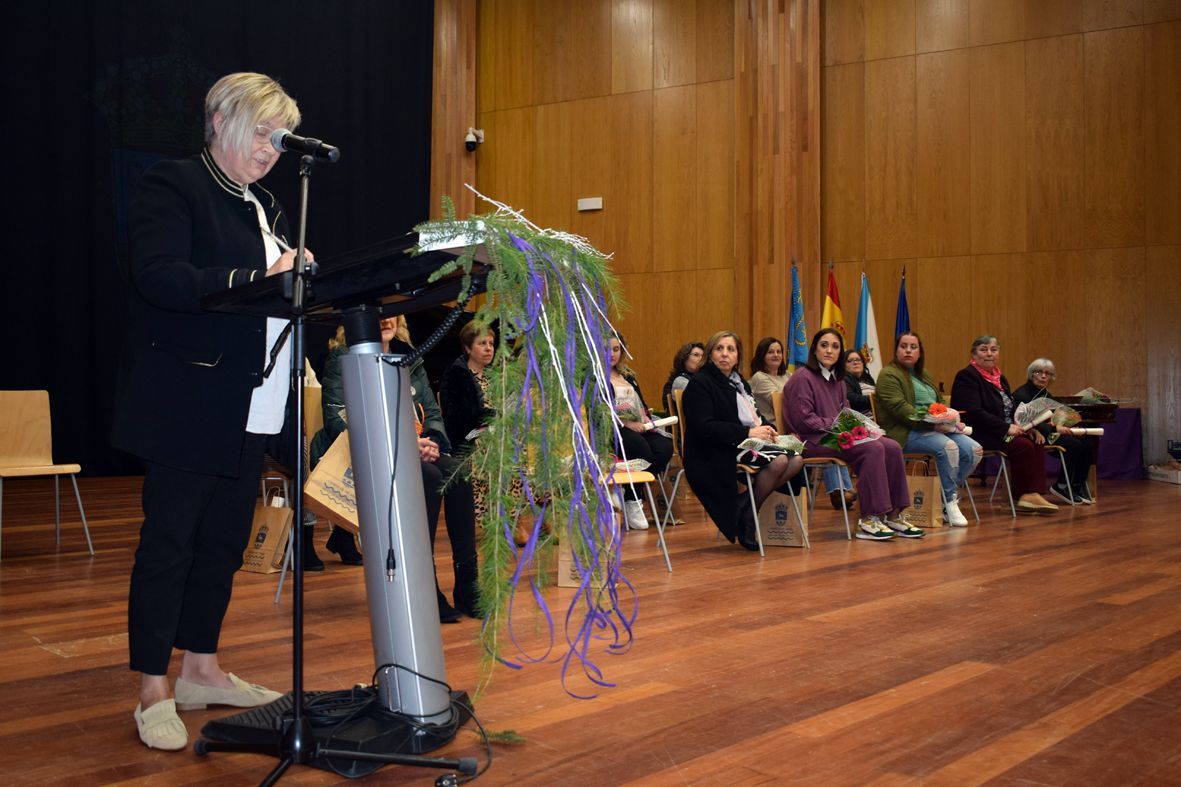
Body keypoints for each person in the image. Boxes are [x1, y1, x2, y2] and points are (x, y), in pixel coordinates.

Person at [112, 73, 304, 751]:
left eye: (279, 139)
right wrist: (259, 280)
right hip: (188, 398)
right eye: (261, 131)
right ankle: (153, 687)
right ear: (219, 119)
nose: (271, 149)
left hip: (252, 399)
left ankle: (199, 667)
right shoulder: (176, 185)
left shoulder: (266, 204)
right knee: (171, 543)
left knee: (222, 543)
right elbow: (159, 275)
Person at [309, 316, 479, 620]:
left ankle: (468, 585)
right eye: (378, 311)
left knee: (458, 472)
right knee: (428, 477)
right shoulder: (343, 359)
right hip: (366, 452)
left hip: (413, 445)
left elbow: (432, 411)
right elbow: (338, 419)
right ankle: (424, 587)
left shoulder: (410, 358)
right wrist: (404, 443)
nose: (386, 318)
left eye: (394, 313)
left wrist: (431, 441)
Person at [783, 329, 920, 540]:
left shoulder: (838, 380)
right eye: (824, 345)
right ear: (814, 349)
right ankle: (869, 518)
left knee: (890, 446)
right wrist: (838, 424)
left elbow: (845, 412)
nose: (830, 350)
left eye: (835, 346)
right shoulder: (803, 377)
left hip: (835, 436)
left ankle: (894, 514)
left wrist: (861, 427)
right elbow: (804, 420)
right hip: (808, 439)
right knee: (872, 448)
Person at [681, 331, 804, 549]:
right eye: (719, 349)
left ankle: (744, 509)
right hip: (713, 449)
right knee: (779, 461)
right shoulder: (701, 383)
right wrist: (747, 433)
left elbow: (755, 415)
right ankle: (748, 516)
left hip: (742, 442)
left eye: (731, 349)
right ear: (710, 354)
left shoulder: (739, 383)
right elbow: (705, 428)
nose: (725, 354)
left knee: (796, 460)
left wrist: (770, 429)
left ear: (738, 356)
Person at [875, 332, 983, 526]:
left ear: (920, 352)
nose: (908, 350)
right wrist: (933, 423)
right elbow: (902, 410)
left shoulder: (924, 374)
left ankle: (940, 498)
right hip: (904, 431)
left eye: (913, 347)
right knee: (948, 448)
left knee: (974, 450)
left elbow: (939, 402)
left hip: (935, 428)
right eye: (903, 346)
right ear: (896, 350)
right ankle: (949, 502)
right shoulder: (888, 374)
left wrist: (948, 415)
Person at [438, 319, 526, 543]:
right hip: (470, 438)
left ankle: (512, 517)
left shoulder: (495, 376)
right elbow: (459, 423)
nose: (489, 348)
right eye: (482, 344)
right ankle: (499, 521)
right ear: (468, 348)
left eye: (491, 343)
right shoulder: (456, 377)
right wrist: (489, 426)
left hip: (499, 434)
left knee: (519, 448)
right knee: (494, 451)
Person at [950, 336, 1058, 514]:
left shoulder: (1001, 378)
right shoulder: (967, 376)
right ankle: (1022, 495)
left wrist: (1030, 428)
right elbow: (973, 412)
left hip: (1003, 430)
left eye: (994, 349)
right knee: (1022, 446)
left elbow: (1012, 409)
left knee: (1035, 441)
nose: (989, 354)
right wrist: (1006, 428)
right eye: (984, 349)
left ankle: (1034, 493)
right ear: (974, 354)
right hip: (980, 432)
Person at [609, 335, 674, 530]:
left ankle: (628, 490)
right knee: (640, 448)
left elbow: (643, 405)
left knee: (664, 447)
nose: (611, 354)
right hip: (612, 429)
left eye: (615, 349)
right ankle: (633, 499)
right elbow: (597, 411)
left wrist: (645, 419)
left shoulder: (628, 376)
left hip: (638, 427)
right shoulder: (594, 377)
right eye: (606, 349)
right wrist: (626, 424)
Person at [1013, 358, 1095, 504]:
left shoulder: (1046, 395)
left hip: (1049, 432)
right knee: (1073, 444)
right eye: (1039, 372)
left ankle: (1077, 484)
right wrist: (1055, 428)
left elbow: (1058, 416)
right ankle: (1062, 485)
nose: (1043, 376)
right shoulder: (1022, 394)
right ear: (1031, 374)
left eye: (1048, 373)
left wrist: (1067, 425)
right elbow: (1024, 422)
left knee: (1088, 442)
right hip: (1032, 434)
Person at [662, 342, 704, 406]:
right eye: (696, 355)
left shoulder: (702, 378)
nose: (701, 358)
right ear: (684, 358)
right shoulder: (680, 381)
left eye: (703, 356)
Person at [843, 349, 876, 416]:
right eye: (850, 361)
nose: (855, 362)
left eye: (858, 359)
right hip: (862, 422)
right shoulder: (843, 380)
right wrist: (876, 400)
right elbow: (852, 399)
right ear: (844, 366)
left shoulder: (868, 379)